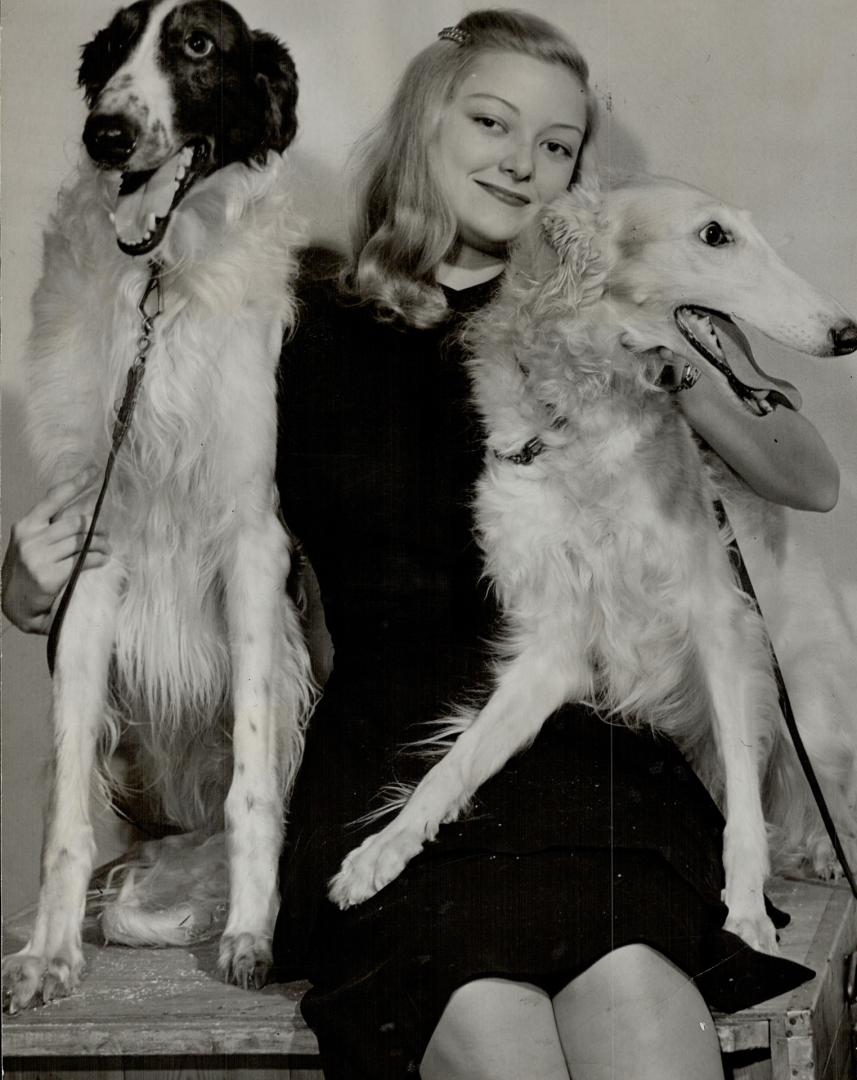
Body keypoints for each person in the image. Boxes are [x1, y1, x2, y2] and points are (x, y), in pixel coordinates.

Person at [3, 10, 840, 1080]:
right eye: (490, 123)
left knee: (640, 1008)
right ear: (422, 128)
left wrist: (653, 342)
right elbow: (160, 515)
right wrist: (27, 582)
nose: (520, 162)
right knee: (495, 1037)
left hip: (581, 768)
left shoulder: (594, 309)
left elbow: (803, 475)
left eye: (556, 147)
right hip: (383, 779)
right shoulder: (290, 309)